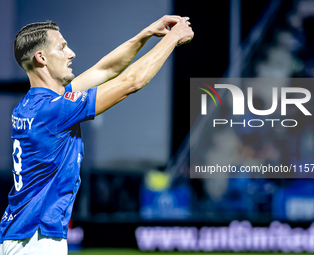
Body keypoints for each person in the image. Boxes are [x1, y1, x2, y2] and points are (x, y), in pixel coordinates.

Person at [0, 15, 193, 255]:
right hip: (36, 240)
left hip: (23, 234)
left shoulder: (34, 105)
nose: (71, 53)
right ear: (41, 58)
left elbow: (107, 69)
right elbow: (131, 81)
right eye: (62, 47)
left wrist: (146, 33)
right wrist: (173, 39)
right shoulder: (54, 110)